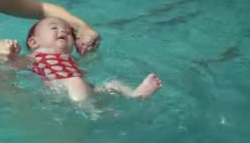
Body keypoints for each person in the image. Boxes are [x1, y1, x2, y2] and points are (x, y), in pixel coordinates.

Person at [11, 16, 162, 104]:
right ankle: (88, 108)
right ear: (33, 42)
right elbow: (15, 65)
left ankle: (135, 95)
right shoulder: (36, 55)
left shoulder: (70, 59)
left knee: (113, 84)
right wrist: (13, 56)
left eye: (69, 32)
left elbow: (88, 67)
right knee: (74, 80)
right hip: (56, 87)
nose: (63, 30)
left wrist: (91, 54)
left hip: (84, 88)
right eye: (54, 28)